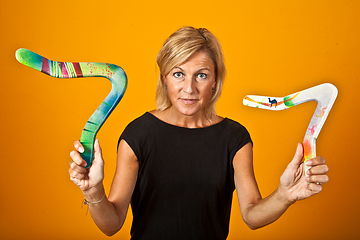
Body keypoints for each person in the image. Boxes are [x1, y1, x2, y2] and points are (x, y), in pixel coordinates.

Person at [69, 26, 329, 240]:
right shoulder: (138, 134)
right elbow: (112, 224)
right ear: (164, 79)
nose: (189, 88)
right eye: (179, 74)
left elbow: (251, 215)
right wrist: (93, 192)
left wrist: (285, 195)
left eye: (201, 75)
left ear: (215, 80)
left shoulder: (235, 138)